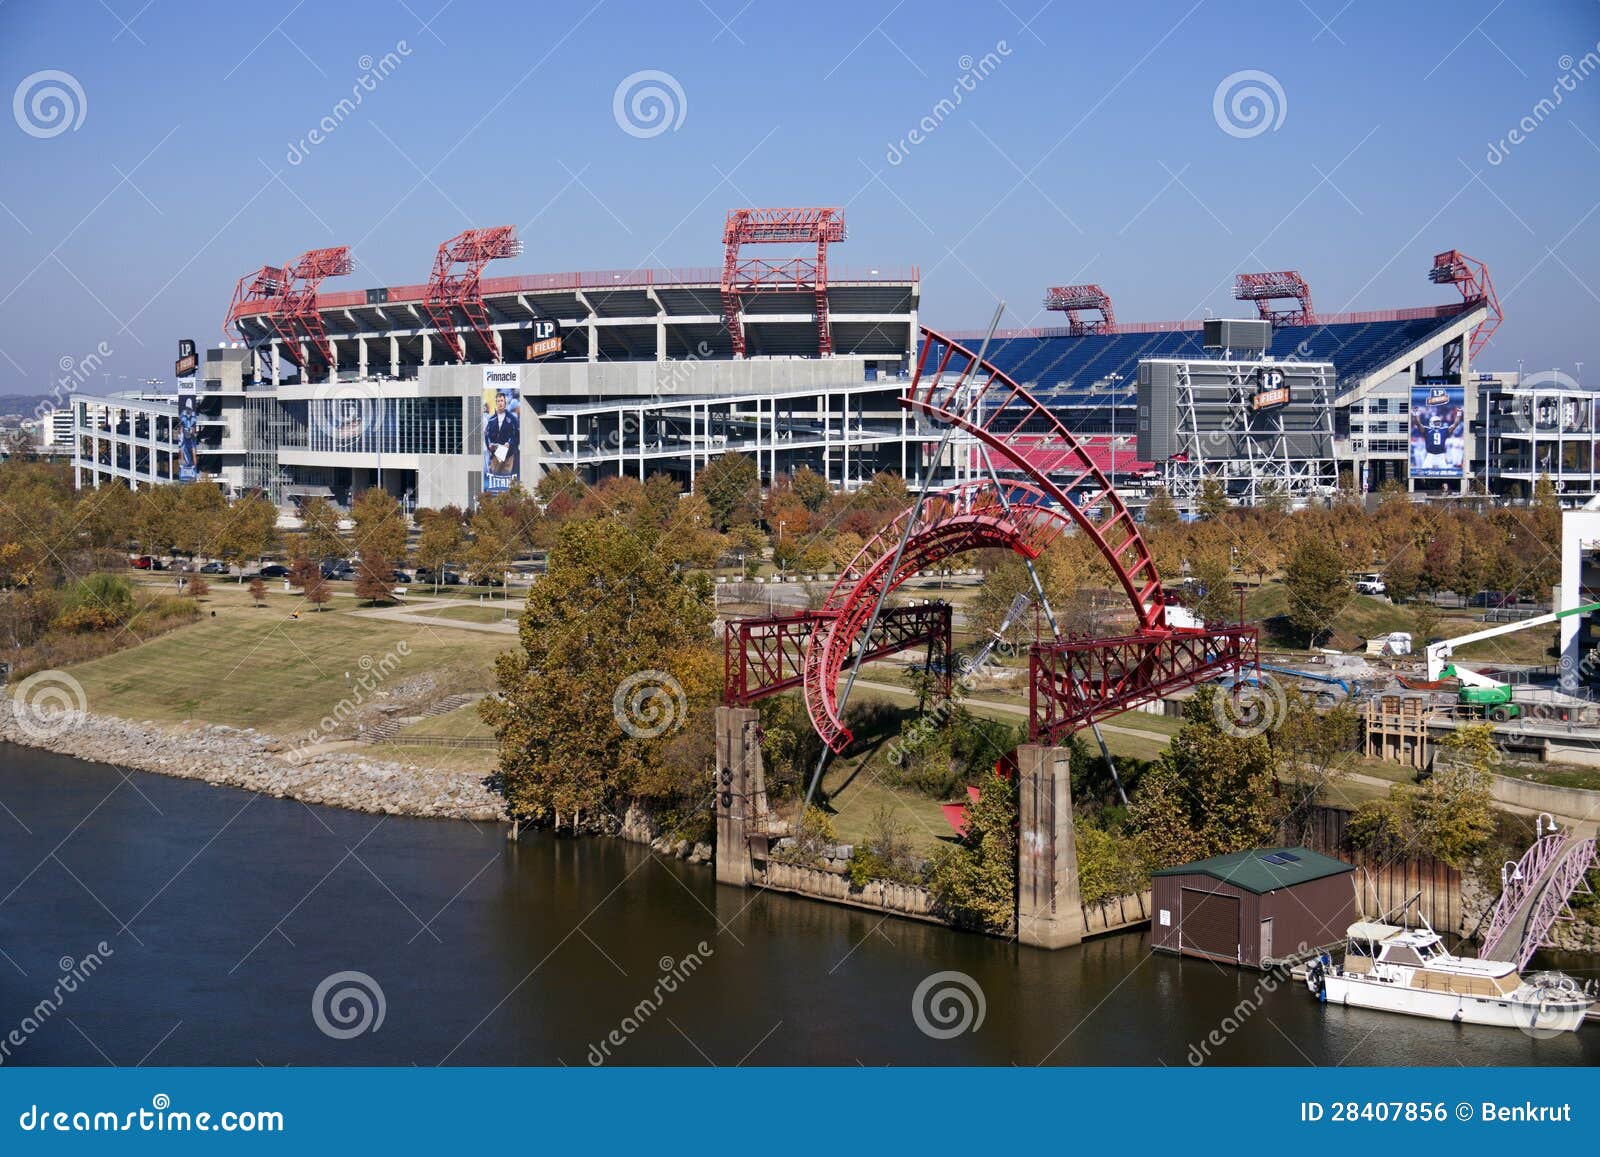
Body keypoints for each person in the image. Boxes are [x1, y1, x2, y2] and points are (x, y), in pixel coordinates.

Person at [484, 389, 519, 482]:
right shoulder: (491, 419)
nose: (500, 403)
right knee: (494, 479)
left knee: (506, 480)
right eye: (498, 401)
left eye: (502, 401)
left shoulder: (512, 418)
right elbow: (486, 435)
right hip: (495, 454)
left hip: (508, 455)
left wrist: (509, 443)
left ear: (505, 402)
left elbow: (517, 435)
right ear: (496, 402)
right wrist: (489, 446)